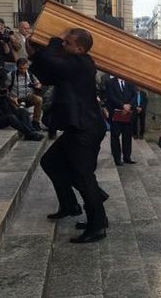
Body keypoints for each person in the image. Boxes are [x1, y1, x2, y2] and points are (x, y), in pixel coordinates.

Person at [28, 28, 108, 243]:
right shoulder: (73, 63)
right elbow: (47, 73)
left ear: (80, 49)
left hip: (86, 129)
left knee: (83, 176)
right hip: (78, 127)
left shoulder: (81, 63)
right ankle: (70, 204)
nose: (63, 45)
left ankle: (97, 225)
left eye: (67, 43)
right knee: (50, 162)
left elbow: (53, 61)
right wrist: (35, 53)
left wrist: (54, 39)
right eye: (64, 43)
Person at [105, 76, 136, 166]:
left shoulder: (130, 82)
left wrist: (129, 105)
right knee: (115, 137)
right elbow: (111, 96)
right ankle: (117, 158)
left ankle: (127, 157)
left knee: (127, 136)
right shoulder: (110, 82)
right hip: (115, 113)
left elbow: (134, 95)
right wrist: (123, 105)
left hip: (128, 114)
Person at [8, 57, 43, 131]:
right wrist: (11, 98)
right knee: (17, 112)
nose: (23, 71)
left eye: (25, 68)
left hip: (28, 97)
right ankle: (21, 124)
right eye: (21, 68)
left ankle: (36, 122)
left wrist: (36, 86)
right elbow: (5, 89)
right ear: (17, 67)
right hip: (16, 98)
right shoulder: (11, 75)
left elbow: (38, 83)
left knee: (39, 100)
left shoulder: (30, 74)